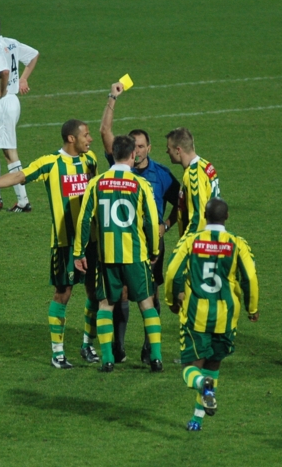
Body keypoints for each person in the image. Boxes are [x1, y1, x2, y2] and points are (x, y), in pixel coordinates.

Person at [0, 119, 100, 369]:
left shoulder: (90, 160)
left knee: (94, 292)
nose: (89, 139)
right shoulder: (51, 163)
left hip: (91, 241)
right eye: (86, 135)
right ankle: (58, 353)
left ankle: (87, 345)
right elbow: (20, 175)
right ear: (71, 138)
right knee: (63, 294)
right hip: (64, 243)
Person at [98, 82, 181, 365]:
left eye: (143, 146)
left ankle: (148, 350)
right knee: (121, 293)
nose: (139, 151)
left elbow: (182, 203)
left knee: (150, 293)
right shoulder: (118, 165)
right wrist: (112, 98)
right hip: (123, 240)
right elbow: (105, 133)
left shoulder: (162, 174)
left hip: (151, 242)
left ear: (148, 147)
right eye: (135, 146)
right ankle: (119, 348)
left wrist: (166, 226)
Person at [164, 198, 259, 431]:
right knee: (213, 366)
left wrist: (172, 299)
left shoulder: (191, 240)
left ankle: (200, 385)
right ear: (226, 218)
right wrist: (252, 307)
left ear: (205, 217)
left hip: (197, 314)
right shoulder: (237, 244)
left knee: (190, 367)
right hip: (226, 316)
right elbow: (250, 278)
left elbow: (172, 272)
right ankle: (197, 419)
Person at [74, 135, 163, 373]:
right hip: (136, 255)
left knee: (105, 305)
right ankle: (155, 358)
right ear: (133, 155)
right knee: (147, 304)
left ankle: (108, 359)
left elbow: (84, 219)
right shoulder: (141, 184)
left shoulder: (97, 183)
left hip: (108, 258)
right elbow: (152, 222)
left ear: (113, 154)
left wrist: (78, 252)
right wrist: (154, 250)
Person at [0, 13, 39, 213]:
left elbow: (4, 72)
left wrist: (3, 89)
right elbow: (33, 55)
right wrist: (23, 79)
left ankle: (23, 201)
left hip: (2, 104)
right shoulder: (10, 43)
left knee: (9, 153)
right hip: (6, 103)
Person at [165, 128, 220, 238]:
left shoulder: (193, 175)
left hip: (200, 243)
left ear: (178, 150)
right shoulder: (206, 165)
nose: (167, 152)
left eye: (169, 149)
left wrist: (184, 247)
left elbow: (198, 218)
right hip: (213, 236)